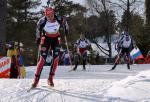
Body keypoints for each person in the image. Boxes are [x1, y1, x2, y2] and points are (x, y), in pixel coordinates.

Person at [32, 7, 68, 88]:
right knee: (42, 60)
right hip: (46, 39)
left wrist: (66, 30)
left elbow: (65, 24)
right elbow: (38, 30)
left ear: (53, 13)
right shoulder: (42, 21)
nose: (50, 17)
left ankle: (50, 79)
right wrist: (37, 39)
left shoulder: (59, 18)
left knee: (55, 59)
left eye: (51, 14)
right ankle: (36, 80)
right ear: (45, 15)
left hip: (56, 39)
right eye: (48, 15)